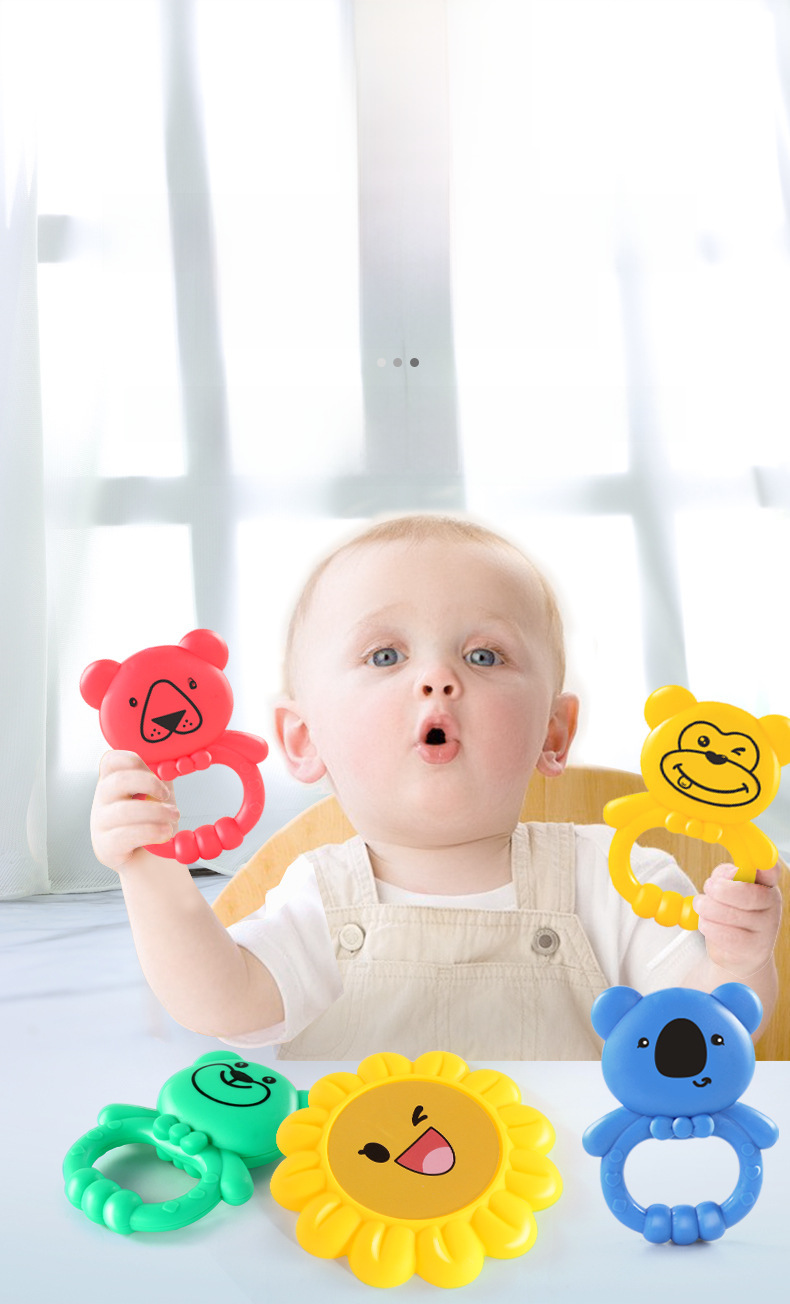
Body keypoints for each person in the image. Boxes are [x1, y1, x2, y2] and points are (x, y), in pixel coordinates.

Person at [91, 515, 781, 1059]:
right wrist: (147, 866)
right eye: (385, 655)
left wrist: (738, 959)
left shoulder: (616, 878)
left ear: (553, 732)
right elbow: (219, 1001)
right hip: (363, 1194)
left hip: (565, 1184)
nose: (437, 678)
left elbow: (711, 1035)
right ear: (304, 740)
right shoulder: (318, 894)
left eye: (483, 655)